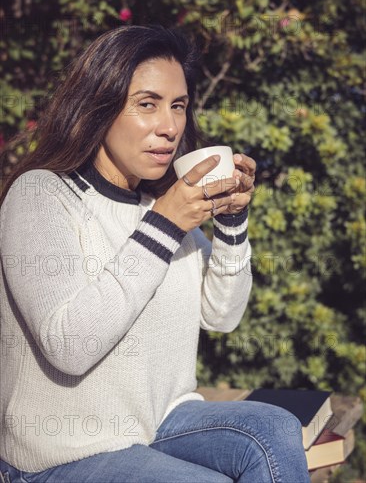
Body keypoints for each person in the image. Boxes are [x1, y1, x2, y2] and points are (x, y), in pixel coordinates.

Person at [0, 25, 310, 482]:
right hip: (61, 453)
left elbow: (221, 315)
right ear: (99, 107)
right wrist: (165, 224)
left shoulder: (157, 210)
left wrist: (229, 222)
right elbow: (68, 346)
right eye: (147, 104)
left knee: (273, 429)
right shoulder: (43, 195)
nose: (169, 127)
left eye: (178, 106)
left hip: (156, 424)